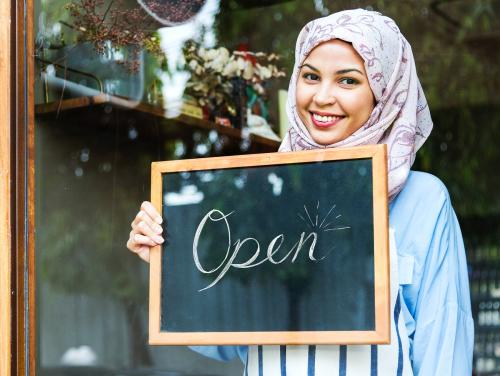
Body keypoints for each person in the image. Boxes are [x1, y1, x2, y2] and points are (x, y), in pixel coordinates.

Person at [127, 8, 474, 375]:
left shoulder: (423, 199)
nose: (322, 97)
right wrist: (170, 263)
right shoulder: (268, 188)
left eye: (348, 81)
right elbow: (224, 338)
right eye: (311, 76)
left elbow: (444, 349)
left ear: (384, 92)